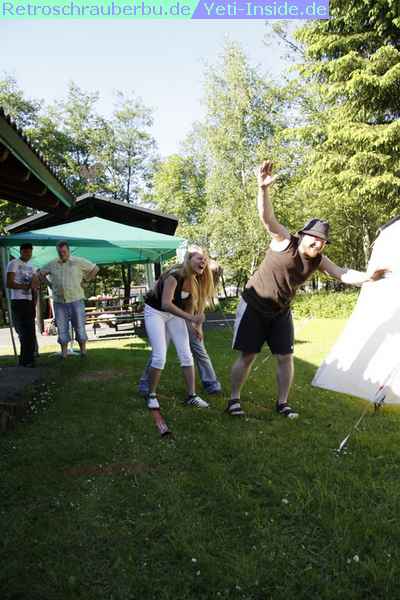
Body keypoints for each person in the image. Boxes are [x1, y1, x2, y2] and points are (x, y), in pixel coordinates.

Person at [226, 160, 389, 418]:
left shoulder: (319, 259)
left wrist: (369, 277)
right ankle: (234, 400)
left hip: (280, 310)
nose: (318, 243)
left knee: (285, 357)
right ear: (303, 235)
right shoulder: (284, 241)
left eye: (323, 241)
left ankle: (282, 403)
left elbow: (342, 273)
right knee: (248, 355)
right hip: (254, 304)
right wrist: (263, 188)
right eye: (315, 238)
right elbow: (267, 219)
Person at [143, 244, 216, 412]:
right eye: (199, 258)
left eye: (205, 259)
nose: (203, 262)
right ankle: (151, 395)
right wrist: (191, 318)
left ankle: (192, 396)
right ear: (189, 260)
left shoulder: (194, 280)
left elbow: (189, 307)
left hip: (174, 315)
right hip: (155, 312)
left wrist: (195, 327)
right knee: (159, 356)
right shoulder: (174, 276)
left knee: (186, 355)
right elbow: (166, 304)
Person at [37, 241, 99, 358]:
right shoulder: (52, 263)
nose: (62, 254)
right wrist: (49, 284)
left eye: (64, 252)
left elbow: (95, 268)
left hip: (76, 299)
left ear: (68, 251)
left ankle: (83, 351)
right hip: (59, 302)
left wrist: (86, 280)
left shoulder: (78, 261)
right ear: (57, 252)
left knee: (80, 326)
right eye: (60, 252)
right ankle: (64, 353)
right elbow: (39, 273)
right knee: (62, 328)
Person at [6, 243, 38, 367]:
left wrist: (34, 301)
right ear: (21, 251)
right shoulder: (13, 263)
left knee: (30, 331)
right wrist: (24, 286)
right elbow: (9, 283)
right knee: (23, 331)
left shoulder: (32, 266)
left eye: (30, 252)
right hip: (18, 301)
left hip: (29, 301)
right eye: (25, 252)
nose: (28, 254)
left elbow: (34, 285)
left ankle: (28, 359)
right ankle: (26, 360)